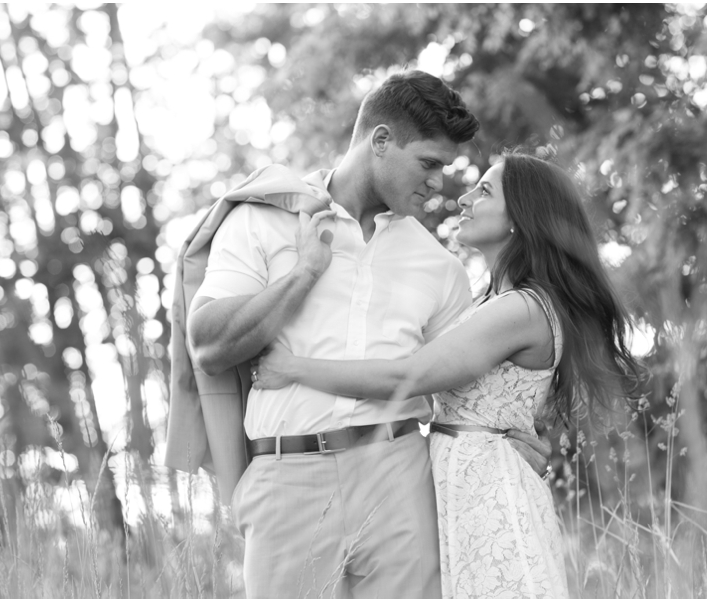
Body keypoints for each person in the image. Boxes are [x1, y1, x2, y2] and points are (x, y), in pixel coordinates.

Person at [185, 71, 551, 599]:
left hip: (400, 474)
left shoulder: (437, 264)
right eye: (428, 163)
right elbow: (209, 345)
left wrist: (506, 438)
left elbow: (464, 381)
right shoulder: (264, 221)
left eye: (443, 168)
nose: (437, 183)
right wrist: (305, 273)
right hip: (287, 477)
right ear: (380, 140)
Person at [254, 152, 645, 598]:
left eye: (484, 191)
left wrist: (293, 368)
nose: (463, 198)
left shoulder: (521, 309)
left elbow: (410, 376)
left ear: (521, 216)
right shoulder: (491, 302)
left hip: (490, 494)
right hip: (465, 486)